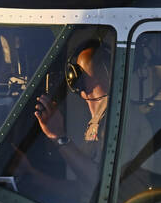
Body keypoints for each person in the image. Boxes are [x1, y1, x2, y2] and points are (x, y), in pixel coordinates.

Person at [34, 39, 113, 186]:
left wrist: (58, 136)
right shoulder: (100, 118)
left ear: (75, 78)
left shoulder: (113, 118)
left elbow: (97, 183)